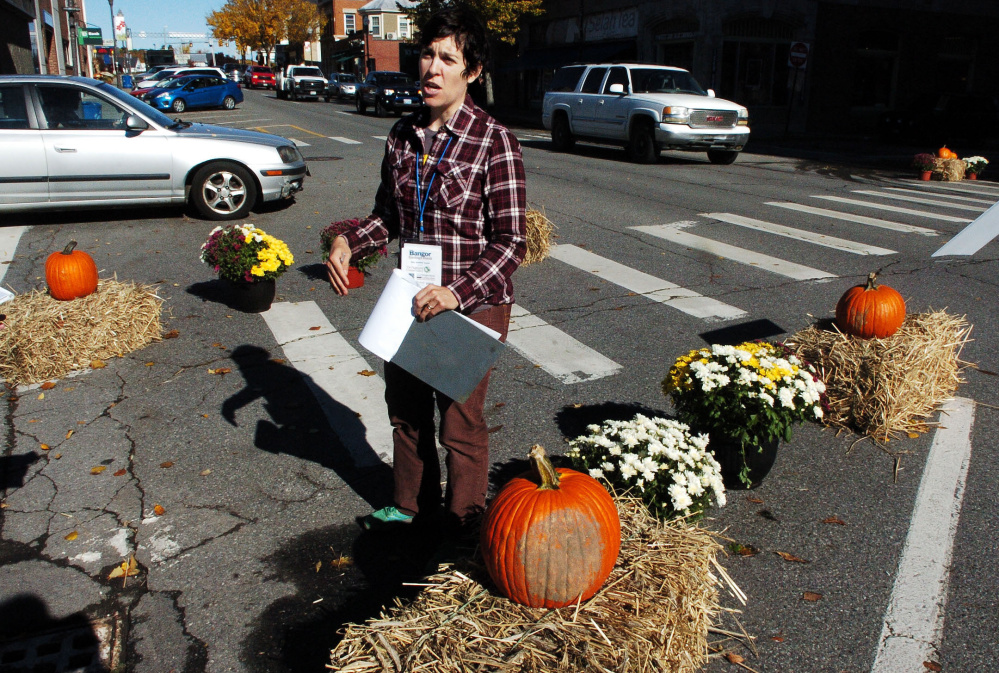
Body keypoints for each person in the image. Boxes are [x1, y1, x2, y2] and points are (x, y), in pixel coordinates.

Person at [325, 6, 527, 537]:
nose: (432, 69)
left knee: (460, 423)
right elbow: (387, 216)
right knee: (405, 410)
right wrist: (351, 241)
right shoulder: (401, 135)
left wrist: (457, 293)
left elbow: (512, 243)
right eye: (427, 54)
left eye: (448, 58)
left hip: (470, 305)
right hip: (410, 296)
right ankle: (411, 505)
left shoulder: (494, 140)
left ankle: (463, 521)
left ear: (472, 72)